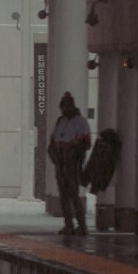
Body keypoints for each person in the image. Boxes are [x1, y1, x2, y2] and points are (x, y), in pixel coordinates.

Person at [48, 91, 92, 236]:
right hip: (60, 163)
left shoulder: (81, 122)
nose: (65, 109)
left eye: (67, 106)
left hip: (72, 163)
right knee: (63, 196)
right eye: (63, 106)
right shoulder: (61, 121)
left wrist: (73, 151)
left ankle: (81, 225)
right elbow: (53, 141)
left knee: (73, 195)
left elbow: (86, 143)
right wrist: (55, 155)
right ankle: (68, 224)